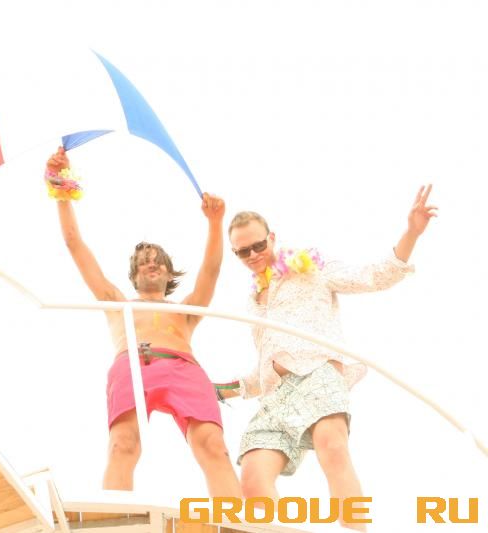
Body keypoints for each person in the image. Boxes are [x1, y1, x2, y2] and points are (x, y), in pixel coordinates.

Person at [222, 185, 437, 530]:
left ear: (272, 238)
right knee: (253, 477)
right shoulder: (254, 300)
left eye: (258, 245)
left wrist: (411, 232)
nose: (253, 255)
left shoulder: (310, 268)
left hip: (318, 373)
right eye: (242, 251)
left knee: (333, 447)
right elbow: (260, 371)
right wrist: (220, 389)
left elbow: (372, 276)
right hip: (277, 395)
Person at [47, 147, 241, 497]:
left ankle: (234, 519)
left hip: (183, 367)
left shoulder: (186, 309)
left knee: (214, 445)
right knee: (122, 444)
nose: (152, 264)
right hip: (133, 364)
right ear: (134, 275)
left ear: (169, 273)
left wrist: (215, 223)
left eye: (158, 261)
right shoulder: (117, 303)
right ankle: (118, 517)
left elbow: (211, 271)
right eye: (144, 261)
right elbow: (75, 245)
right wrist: (61, 187)